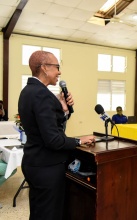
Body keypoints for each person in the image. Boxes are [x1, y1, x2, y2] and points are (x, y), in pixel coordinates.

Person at [18, 51, 95, 220]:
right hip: (47, 166)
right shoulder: (42, 95)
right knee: (49, 214)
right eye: (57, 67)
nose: (59, 72)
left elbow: (46, 128)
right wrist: (78, 140)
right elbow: (53, 140)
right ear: (44, 68)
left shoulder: (28, 91)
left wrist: (63, 111)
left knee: (39, 212)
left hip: (34, 162)